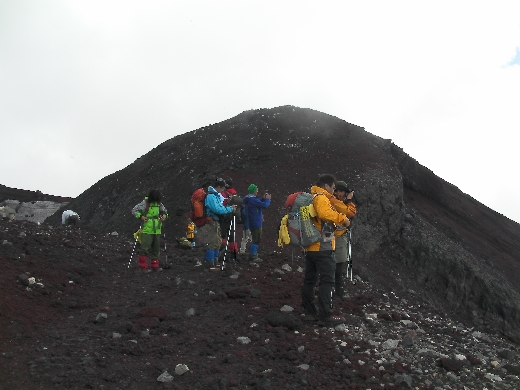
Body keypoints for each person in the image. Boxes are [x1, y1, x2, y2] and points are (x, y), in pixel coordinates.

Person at [301, 174, 350, 326]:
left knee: (309, 280)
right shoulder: (321, 197)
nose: (334, 191)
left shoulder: (310, 197)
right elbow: (324, 214)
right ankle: (326, 315)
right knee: (327, 280)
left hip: (310, 246)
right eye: (333, 187)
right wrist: (342, 218)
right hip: (322, 246)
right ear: (326, 185)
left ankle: (310, 313)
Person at [199, 179, 236, 268]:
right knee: (213, 242)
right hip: (211, 222)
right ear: (218, 187)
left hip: (215, 222)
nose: (223, 190)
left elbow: (219, 208)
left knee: (217, 242)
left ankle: (214, 261)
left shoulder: (215, 196)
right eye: (222, 188)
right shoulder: (211, 196)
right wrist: (230, 209)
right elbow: (217, 209)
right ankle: (210, 262)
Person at [330, 180, 357, 300]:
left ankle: (335, 291)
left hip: (336, 235)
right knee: (339, 264)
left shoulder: (336, 201)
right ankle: (338, 293)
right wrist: (349, 200)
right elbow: (350, 212)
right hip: (337, 236)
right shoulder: (335, 201)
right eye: (343, 191)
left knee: (337, 265)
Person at [131, 190, 168, 272]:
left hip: (157, 229)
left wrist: (164, 216)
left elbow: (165, 212)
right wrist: (141, 216)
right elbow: (134, 210)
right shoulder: (145, 203)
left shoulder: (159, 204)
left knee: (156, 248)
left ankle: (155, 266)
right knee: (144, 248)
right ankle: (142, 266)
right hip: (147, 229)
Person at [242, 184, 271, 263]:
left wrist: (262, 199)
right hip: (256, 222)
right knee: (256, 239)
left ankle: (252, 254)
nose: (257, 191)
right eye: (256, 190)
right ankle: (253, 255)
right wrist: (267, 199)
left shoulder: (248, 199)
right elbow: (264, 205)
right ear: (254, 191)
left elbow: (258, 202)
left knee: (254, 238)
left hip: (252, 222)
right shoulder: (253, 200)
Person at [220, 179, 239, 255]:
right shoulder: (234, 193)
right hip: (233, 215)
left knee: (221, 234)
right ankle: (234, 252)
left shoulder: (223, 194)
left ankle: (222, 247)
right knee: (232, 236)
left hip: (224, 216)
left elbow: (222, 204)